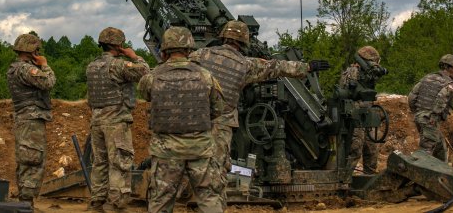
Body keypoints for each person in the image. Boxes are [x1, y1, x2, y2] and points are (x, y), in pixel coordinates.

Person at [189, 20, 325, 208]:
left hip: (193, 121)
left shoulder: (199, 55)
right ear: (244, 43)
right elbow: (276, 67)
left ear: (223, 37)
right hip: (221, 126)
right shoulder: (245, 65)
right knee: (216, 171)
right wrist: (307, 67)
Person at [138, 26, 224, 213]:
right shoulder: (206, 76)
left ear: (164, 51)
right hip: (200, 149)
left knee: (161, 199)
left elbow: (146, 96)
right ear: (189, 49)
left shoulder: (152, 77)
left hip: (166, 150)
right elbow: (217, 110)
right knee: (209, 198)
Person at [86, 27, 150, 212]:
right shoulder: (118, 65)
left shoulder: (92, 66)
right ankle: (114, 205)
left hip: (97, 120)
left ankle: (97, 201)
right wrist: (134, 56)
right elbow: (144, 72)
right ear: (119, 45)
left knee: (100, 163)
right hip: (116, 121)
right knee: (120, 163)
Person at [7, 33, 56, 211]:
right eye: (37, 50)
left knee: (27, 160)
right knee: (32, 161)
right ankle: (26, 205)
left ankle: (25, 203)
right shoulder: (26, 70)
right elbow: (49, 82)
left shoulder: (15, 68)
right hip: (31, 120)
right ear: (32, 51)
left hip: (25, 119)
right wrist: (45, 65)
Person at [339, 46, 385, 174]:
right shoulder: (351, 72)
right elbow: (348, 92)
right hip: (355, 117)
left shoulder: (369, 72)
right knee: (355, 148)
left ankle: (369, 178)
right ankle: (344, 178)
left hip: (367, 114)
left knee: (372, 149)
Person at [408, 54, 453, 162]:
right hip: (430, 119)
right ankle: (418, 175)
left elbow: (411, 97)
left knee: (439, 146)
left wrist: (418, 113)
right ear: (451, 68)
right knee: (426, 151)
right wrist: (433, 117)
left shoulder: (427, 78)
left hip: (420, 117)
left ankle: (443, 169)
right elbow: (441, 99)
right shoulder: (450, 84)